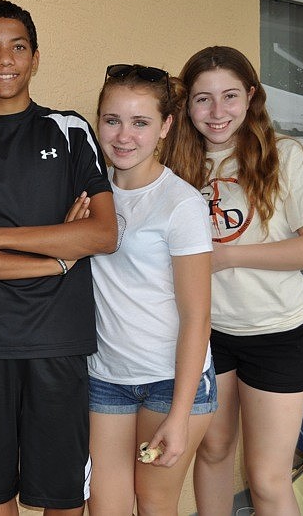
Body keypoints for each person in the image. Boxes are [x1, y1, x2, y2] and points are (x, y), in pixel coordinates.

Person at [0, 0, 117, 516]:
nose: (4, 59)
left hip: (61, 333)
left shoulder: (70, 129)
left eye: (17, 47)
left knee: (62, 490)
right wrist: (56, 253)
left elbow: (103, 234)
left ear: (35, 58)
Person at [164, 46, 303, 516]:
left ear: (252, 96)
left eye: (229, 96)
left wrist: (229, 258)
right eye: (203, 99)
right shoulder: (176, 162)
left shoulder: (286, 156)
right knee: (213, 452)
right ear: (186, 105)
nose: (217, 112)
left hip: (277, 334)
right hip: (206, 336)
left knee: (266, 480)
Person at [86, 64, 215, 516]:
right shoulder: (91, 193)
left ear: (165, 127)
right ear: (97, 120)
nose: (124, 136)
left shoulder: (181, 204)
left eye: (140, 122)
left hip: (172, 383)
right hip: (107, 378)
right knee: (106, 506)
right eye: (112, 120)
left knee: (156, 505)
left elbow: (198, 317)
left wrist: (180, 416)